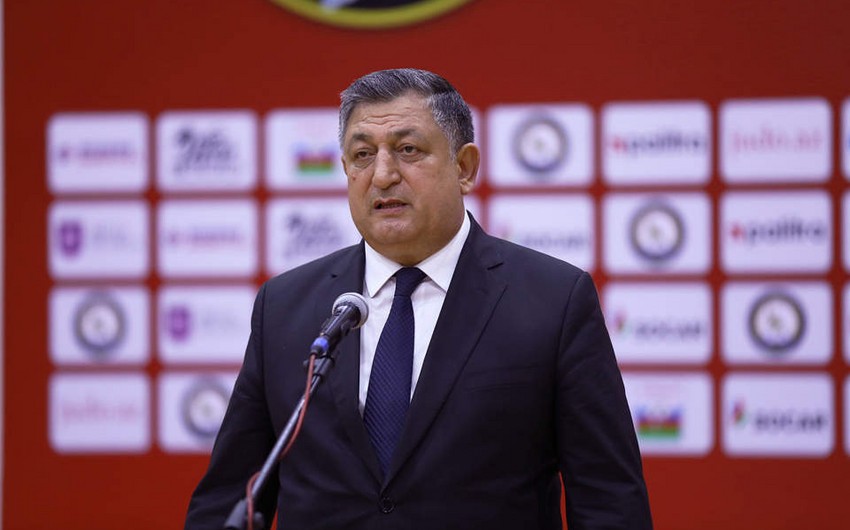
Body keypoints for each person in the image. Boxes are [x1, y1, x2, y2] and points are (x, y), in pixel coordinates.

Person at [185, 68, 652, 529]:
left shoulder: (553, 301)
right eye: (362, 155)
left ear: (464, 167)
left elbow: (610, 503)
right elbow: (230, 496)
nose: (383, 175)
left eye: (408, 150)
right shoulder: (285, 307)